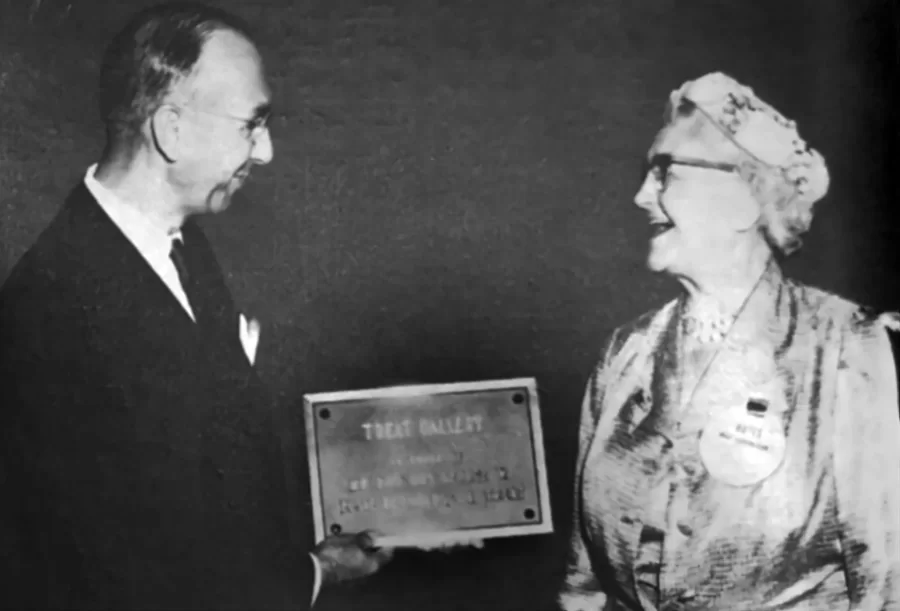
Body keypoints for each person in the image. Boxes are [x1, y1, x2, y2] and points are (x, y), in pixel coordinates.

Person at [0, 3, 391, 609]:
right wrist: (312, 575)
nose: (265, 153)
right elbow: (131, 576)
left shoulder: (180, 249)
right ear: (170, 130)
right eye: (251, 125)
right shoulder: (55, 308)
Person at [558, 71, 900, 610]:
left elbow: (888, 588)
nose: (640, 194)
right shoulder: (626, 353)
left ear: (744, 199)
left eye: (664, 171)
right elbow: (584, 584)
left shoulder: (850, 350)